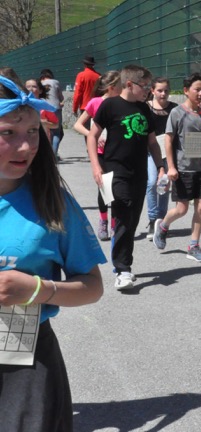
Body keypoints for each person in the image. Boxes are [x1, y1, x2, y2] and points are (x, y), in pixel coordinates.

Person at [0, 74, 106, 431]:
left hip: (23, 360)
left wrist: (38, 289)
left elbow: (92, 286)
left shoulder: (52, 201)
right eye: (9, 133)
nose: (27, 147)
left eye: (32, 131)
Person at [87, 65, 165, 291]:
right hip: (115, 171)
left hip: (139, 172)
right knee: (123, 213)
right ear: (129, 84)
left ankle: (122, 263)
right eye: (145, 86)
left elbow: (152, 142)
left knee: (131, 221)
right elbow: (92, 136)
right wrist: (96, 167)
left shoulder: (144, 108)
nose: (148, 91)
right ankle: (122, 269)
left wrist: (160, 167)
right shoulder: (109, 105)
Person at [152, 73, 201, 263]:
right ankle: (163, 226)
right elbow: (168, 140)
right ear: (186, 91)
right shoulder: (177, 112)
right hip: (183, 169)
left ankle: (194, 246)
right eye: (197, 90)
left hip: (200, 168)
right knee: (182, 209)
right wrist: (171, 167)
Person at [73, 70, 122, 241]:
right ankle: (103, 221)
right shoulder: (95, 102)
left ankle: (114, 224)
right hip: (101, 153)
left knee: (116, 189)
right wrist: (92, 135)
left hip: (117, 152)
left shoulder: (122, 103)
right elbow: (78, 125)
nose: (123, 87)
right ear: (111, 87)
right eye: (120, 84)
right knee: (104, 188)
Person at [144, 77, 177, 240]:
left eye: (166, 90)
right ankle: (152, 219)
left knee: (164, 184)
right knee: (151, 182)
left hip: (168, 151)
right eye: (159, 90)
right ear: (152, 91)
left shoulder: (174, 108)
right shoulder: (146, 107)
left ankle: (161, 220)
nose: (163, 94)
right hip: (151, 150)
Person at [24, 78, 59, 144]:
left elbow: (56, 125)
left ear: (40, 90)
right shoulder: (20, 106)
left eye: (34, 86)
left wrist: (43, 123)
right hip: (24, 141)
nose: (30, 89)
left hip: (42, 142)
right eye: (28, 86)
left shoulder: (44, 106)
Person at [39, 69, 65, 157]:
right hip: (55, 109)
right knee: (56, 133)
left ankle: (47, 155)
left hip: (43, 109)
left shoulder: (40, 83)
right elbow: (61, 98)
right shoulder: (56, 82)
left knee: (46, 132)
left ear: (42, 77)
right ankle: (53, 156)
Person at [72, 55, 100, 120]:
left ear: (84, 64)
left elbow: (77, 94)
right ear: (93, 64)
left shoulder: (81, 75)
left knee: (85, 126)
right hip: (97, 107)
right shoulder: (99, 76)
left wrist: (75, 108)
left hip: (85, 107)